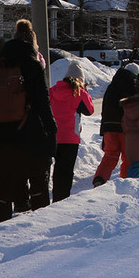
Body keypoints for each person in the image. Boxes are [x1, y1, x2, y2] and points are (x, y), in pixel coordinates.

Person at [0, 19, 57, 225]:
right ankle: (37, 233)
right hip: (30, 135)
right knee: (38, 187)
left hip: (1, 135)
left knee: (1, 189)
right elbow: (43, 102)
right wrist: (51, 130)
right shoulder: (32, 66)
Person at [49, 61, 94, 201]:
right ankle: (61, 198)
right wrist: (85, 91)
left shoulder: (52, 91)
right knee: (66, 170)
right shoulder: (80, 93)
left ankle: (54, 193)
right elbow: (90, 110)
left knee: (55, 169)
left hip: (52, 135)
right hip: (70, 137)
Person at [94, 62, 139, 187]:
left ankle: (100, 179)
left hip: (109, 127)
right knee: (128, 158)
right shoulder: (132, 87)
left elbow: (104, 109)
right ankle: (125, 182)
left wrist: (103, 129)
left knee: (110, 155)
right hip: (126, 129)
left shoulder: (112, 87)